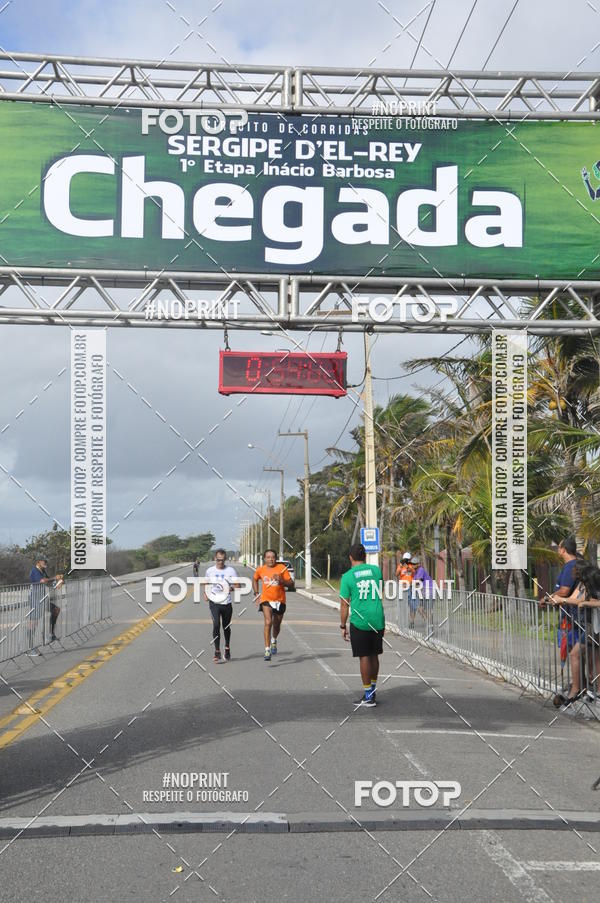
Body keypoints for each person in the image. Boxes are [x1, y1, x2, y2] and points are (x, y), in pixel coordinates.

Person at [340, 543, 385, 707]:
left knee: (364, 656)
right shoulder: (376, 571)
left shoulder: (348, 576)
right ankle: (372, 691)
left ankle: (368, 695)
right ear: (364, 556)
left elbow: (344, 604)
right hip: (378, 618)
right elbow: (380, 592)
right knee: (374, 655)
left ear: (350, 557)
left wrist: (342, 626)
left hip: (360, 621)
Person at [545, 537, 585, 706]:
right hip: (570, 617)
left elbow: (565, 591)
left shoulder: (571, 567)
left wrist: (550, 598)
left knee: (576, 653)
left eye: (559, 548)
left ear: (562, 549)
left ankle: (578, 688)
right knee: (576, 653)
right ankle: (579, 685)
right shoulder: (572, 566)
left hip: (575, 619)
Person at [252, 549, 293, 661]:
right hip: (266, 600)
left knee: (276, 624)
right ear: (265, 559)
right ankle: (267, 649)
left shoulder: (281, 568)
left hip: (280, 600)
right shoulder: (261, 570)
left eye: (273, 557)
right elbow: (254, 579)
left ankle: (274, 639)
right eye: (268, 557)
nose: (270, 559)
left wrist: (281, 581)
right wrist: (256, 593)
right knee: (268, 622)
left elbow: (291, 584)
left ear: (276, 558)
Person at [204, 550, 240, 663]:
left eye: (222, 560)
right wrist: (205, 592)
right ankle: (217, 651)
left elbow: (238, 585)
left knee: (226, 627)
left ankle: (227, 647)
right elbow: (206, 583)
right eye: (218, 559)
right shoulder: (210, 571)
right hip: (214, 602)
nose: (220, 562)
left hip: (226, 602)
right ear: (215, 558)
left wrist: (231, 588)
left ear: (225, 559)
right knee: (216, 625)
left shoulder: (231, 571)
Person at [28, 556, 61, 653]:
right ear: (38, 562)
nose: (45, 562)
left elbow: (48, 581)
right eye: (44, 561)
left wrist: (58, 582)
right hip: (35, 598)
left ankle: (51, 634)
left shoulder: (42, 570)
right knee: (34, 622)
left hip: (42, 598)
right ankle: (30, 647)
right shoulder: (35, 570)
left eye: (46, 561)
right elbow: (42, 581)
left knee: (56, 610)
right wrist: (54, 578)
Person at [411, 556, 435, 628]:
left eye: (414, 564)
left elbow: (418, 581)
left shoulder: (421, 569)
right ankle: (429, 623)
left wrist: (411, 584)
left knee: (428, 609)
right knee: (420, 609)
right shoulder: (416, 572)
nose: (413, 565)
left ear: (418, 564)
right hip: (423, 593)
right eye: (412, 564)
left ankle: (430, 625)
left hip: (429, 591)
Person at [396, 551, 416, 627]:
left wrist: (407, 565)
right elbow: (397, 574)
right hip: (403, 589)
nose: (406, 560)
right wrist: (401, 565)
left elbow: (412, 571)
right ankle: (403, 621)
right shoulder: (400, 566)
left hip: (411, 587)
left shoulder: (411, 565)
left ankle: (412, 621)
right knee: (403, 606)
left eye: (407, 559)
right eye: (405, 559)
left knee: (412, 606)